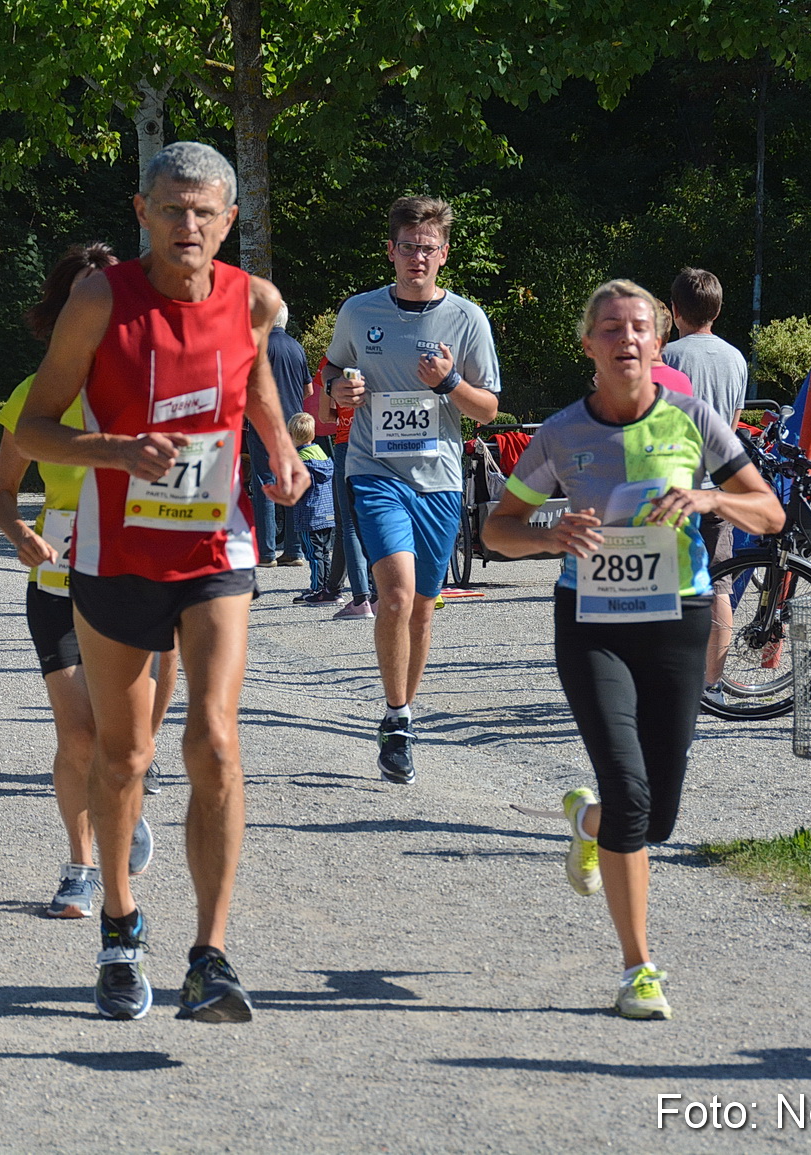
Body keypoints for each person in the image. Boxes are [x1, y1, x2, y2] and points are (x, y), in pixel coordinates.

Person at [15, 142, 306, 1022]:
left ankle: (211, 956)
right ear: (141, 212)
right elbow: (31, 428)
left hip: (217, 545)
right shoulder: (101, 299)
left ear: (229, 220)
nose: (189, 226)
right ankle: (119, 924)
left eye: (205, 212)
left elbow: (250, 374)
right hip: (114, 553)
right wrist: (113, 450)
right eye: (172, 209)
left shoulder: (253, 300)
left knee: (216, 741)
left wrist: (284, 445)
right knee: (124, 752)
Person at [483, 279, 782, 1020]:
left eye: (639, 328)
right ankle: (637, 967)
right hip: (590, 622)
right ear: (588, 345)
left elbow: (769, 511)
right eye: (610, 328)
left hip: (676, 616)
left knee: (656, 816)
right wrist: (548, 534)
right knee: (630, 786)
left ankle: (589, 822)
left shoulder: (692, 418)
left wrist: (713, 499)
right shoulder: (561, 433)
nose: (625, 339)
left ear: (659, 342)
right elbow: (497, 527)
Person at [0, 242, 170, 921]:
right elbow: (3, 491)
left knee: (126, 742)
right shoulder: (39, 394)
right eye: (81, 299)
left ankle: (125, 794)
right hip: (59, 579)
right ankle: (80, 866)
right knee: (79, 734)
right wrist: (15, 532)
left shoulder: (152, 382)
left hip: (136, 576)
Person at [323, 195, 502, 784]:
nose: (417, 257)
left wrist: (449, 381)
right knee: (394, 595)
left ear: (444, 255)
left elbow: (490, 409)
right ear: (391, 251)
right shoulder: (359, 311)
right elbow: (332, 371)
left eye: (428, 249)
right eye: (408, 247)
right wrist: (338, 392)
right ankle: (396, 719)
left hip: (440, 481)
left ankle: (405, 709)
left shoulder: (468, 320)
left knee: (423, 608)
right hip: (374, 471)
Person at [662, 268, 751, 701]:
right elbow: (732, 424)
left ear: (675, 310)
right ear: (717, 310)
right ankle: (712, 685)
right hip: (719, 482)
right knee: (720, 582)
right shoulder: (735, 358)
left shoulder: (669, 357)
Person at [249, 302, 311, 566]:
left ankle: (266, 552)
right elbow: (308, 390)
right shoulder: (297, 347)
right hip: (294, 425)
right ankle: (294, 550)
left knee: (265, 482)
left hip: (265, 422)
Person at [316, 359, 376, 619]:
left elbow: (324, 415)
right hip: (378, 440)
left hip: (345, 442)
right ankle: (381, 592)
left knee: (349, 524)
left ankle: (361, 598)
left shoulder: (331, 363)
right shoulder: (376, 349)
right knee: (378, 517)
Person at [285, 411, 338, 603]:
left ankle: (317, 589)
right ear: (313, 434)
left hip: (308, 514)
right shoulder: (322, 455)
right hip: (327, 512)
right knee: (325, 552)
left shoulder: (298, 461)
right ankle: (329, 587)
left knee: (313, 554)